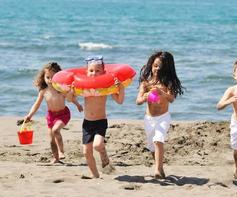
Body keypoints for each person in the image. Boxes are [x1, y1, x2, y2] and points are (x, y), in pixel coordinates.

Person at [69, 55, 125, 178]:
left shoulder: (106, 87)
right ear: (86, 72)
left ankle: (103, 153)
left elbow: (120, 100)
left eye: (97, 70)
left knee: (97, 145)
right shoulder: (83, 87)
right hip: (87, 123)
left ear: (103, 72)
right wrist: (71, 91)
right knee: (86, 152)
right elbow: (70, 99)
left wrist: (120, 87)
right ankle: (96, 176)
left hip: (100, 121)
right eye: (91, 70)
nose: (94, 73)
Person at [136, 51, 184, 179]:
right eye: (155, 65)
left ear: (166, 69)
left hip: (163, 117)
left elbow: (171, 98)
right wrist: (146, 96)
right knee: (152, 145)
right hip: (149, 118)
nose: (157, 69)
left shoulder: (168, 83)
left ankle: (157, 169)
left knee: (158, 140)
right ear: (151, 65)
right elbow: (138, 101)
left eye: (160, 67)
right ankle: (160, 167)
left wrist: (162, 93)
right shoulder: (146, 82)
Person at [24, 62, 83, 163]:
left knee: (56, 130)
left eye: (53, 77)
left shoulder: (60, 89)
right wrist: (29, 115)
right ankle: (56, 159)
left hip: (63, 114)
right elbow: (36, 104)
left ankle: (61, 152)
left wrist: (78, 105)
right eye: (48, 77)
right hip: (51, 116)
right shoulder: (43, 91)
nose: (50, 80)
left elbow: (71, 99)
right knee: (51, 140)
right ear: (43, 77)